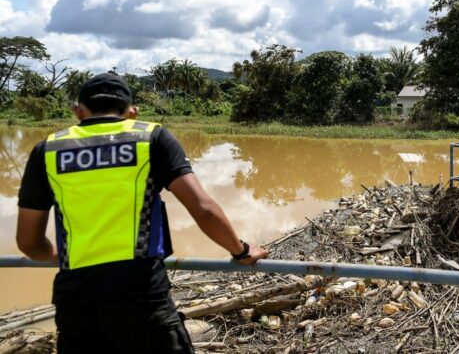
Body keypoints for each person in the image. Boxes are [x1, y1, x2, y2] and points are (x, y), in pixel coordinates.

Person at [15, 73, 269, 353]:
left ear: (78, 111)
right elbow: (203, 208)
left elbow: (29, 242)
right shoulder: (151, 138)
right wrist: (241, 250)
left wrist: (60, 256)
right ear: (132, 112)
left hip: (76, 302)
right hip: (142, 296)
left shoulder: (48, 150)